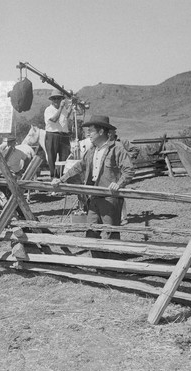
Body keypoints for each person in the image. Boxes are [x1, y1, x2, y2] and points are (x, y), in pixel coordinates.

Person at [51, 115, 134, 250]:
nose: (88, 133)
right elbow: (79, 166)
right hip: (93, 196)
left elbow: (129, 170)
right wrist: (61, 179)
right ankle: (97, 264)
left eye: (91, 130)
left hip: (110, 198)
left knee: (110, 232)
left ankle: (111, 266)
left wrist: (119, 184)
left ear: (101, 132)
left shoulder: (117, 148)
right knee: (91, 231)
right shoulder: (92, 150)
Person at [44, 89, 73, 179]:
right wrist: (60, 108)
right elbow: (54, 119)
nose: (56, 100)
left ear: (61, 99)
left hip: (64, 135)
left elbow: (67, 115)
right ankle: (53, 177)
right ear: (52, 100)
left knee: (65, 158)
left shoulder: (63, 109)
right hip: (52, 135)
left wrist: (71, 104)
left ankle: (61, 178)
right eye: (54, 99)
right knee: (52, 158)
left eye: (59, 98)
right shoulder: (49, 109)